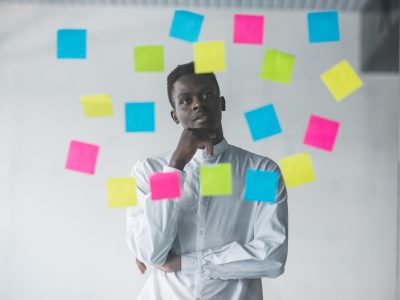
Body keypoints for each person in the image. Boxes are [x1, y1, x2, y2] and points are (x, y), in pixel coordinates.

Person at [126, 62, 288, 300]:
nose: (198, 104)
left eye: (206, 95)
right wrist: (175, 166)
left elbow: (271, 257)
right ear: (174, 115)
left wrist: (185, 263)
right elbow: (152, 252)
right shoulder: (148, 172)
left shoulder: (259, 172)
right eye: (185, 100)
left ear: (221, 103)